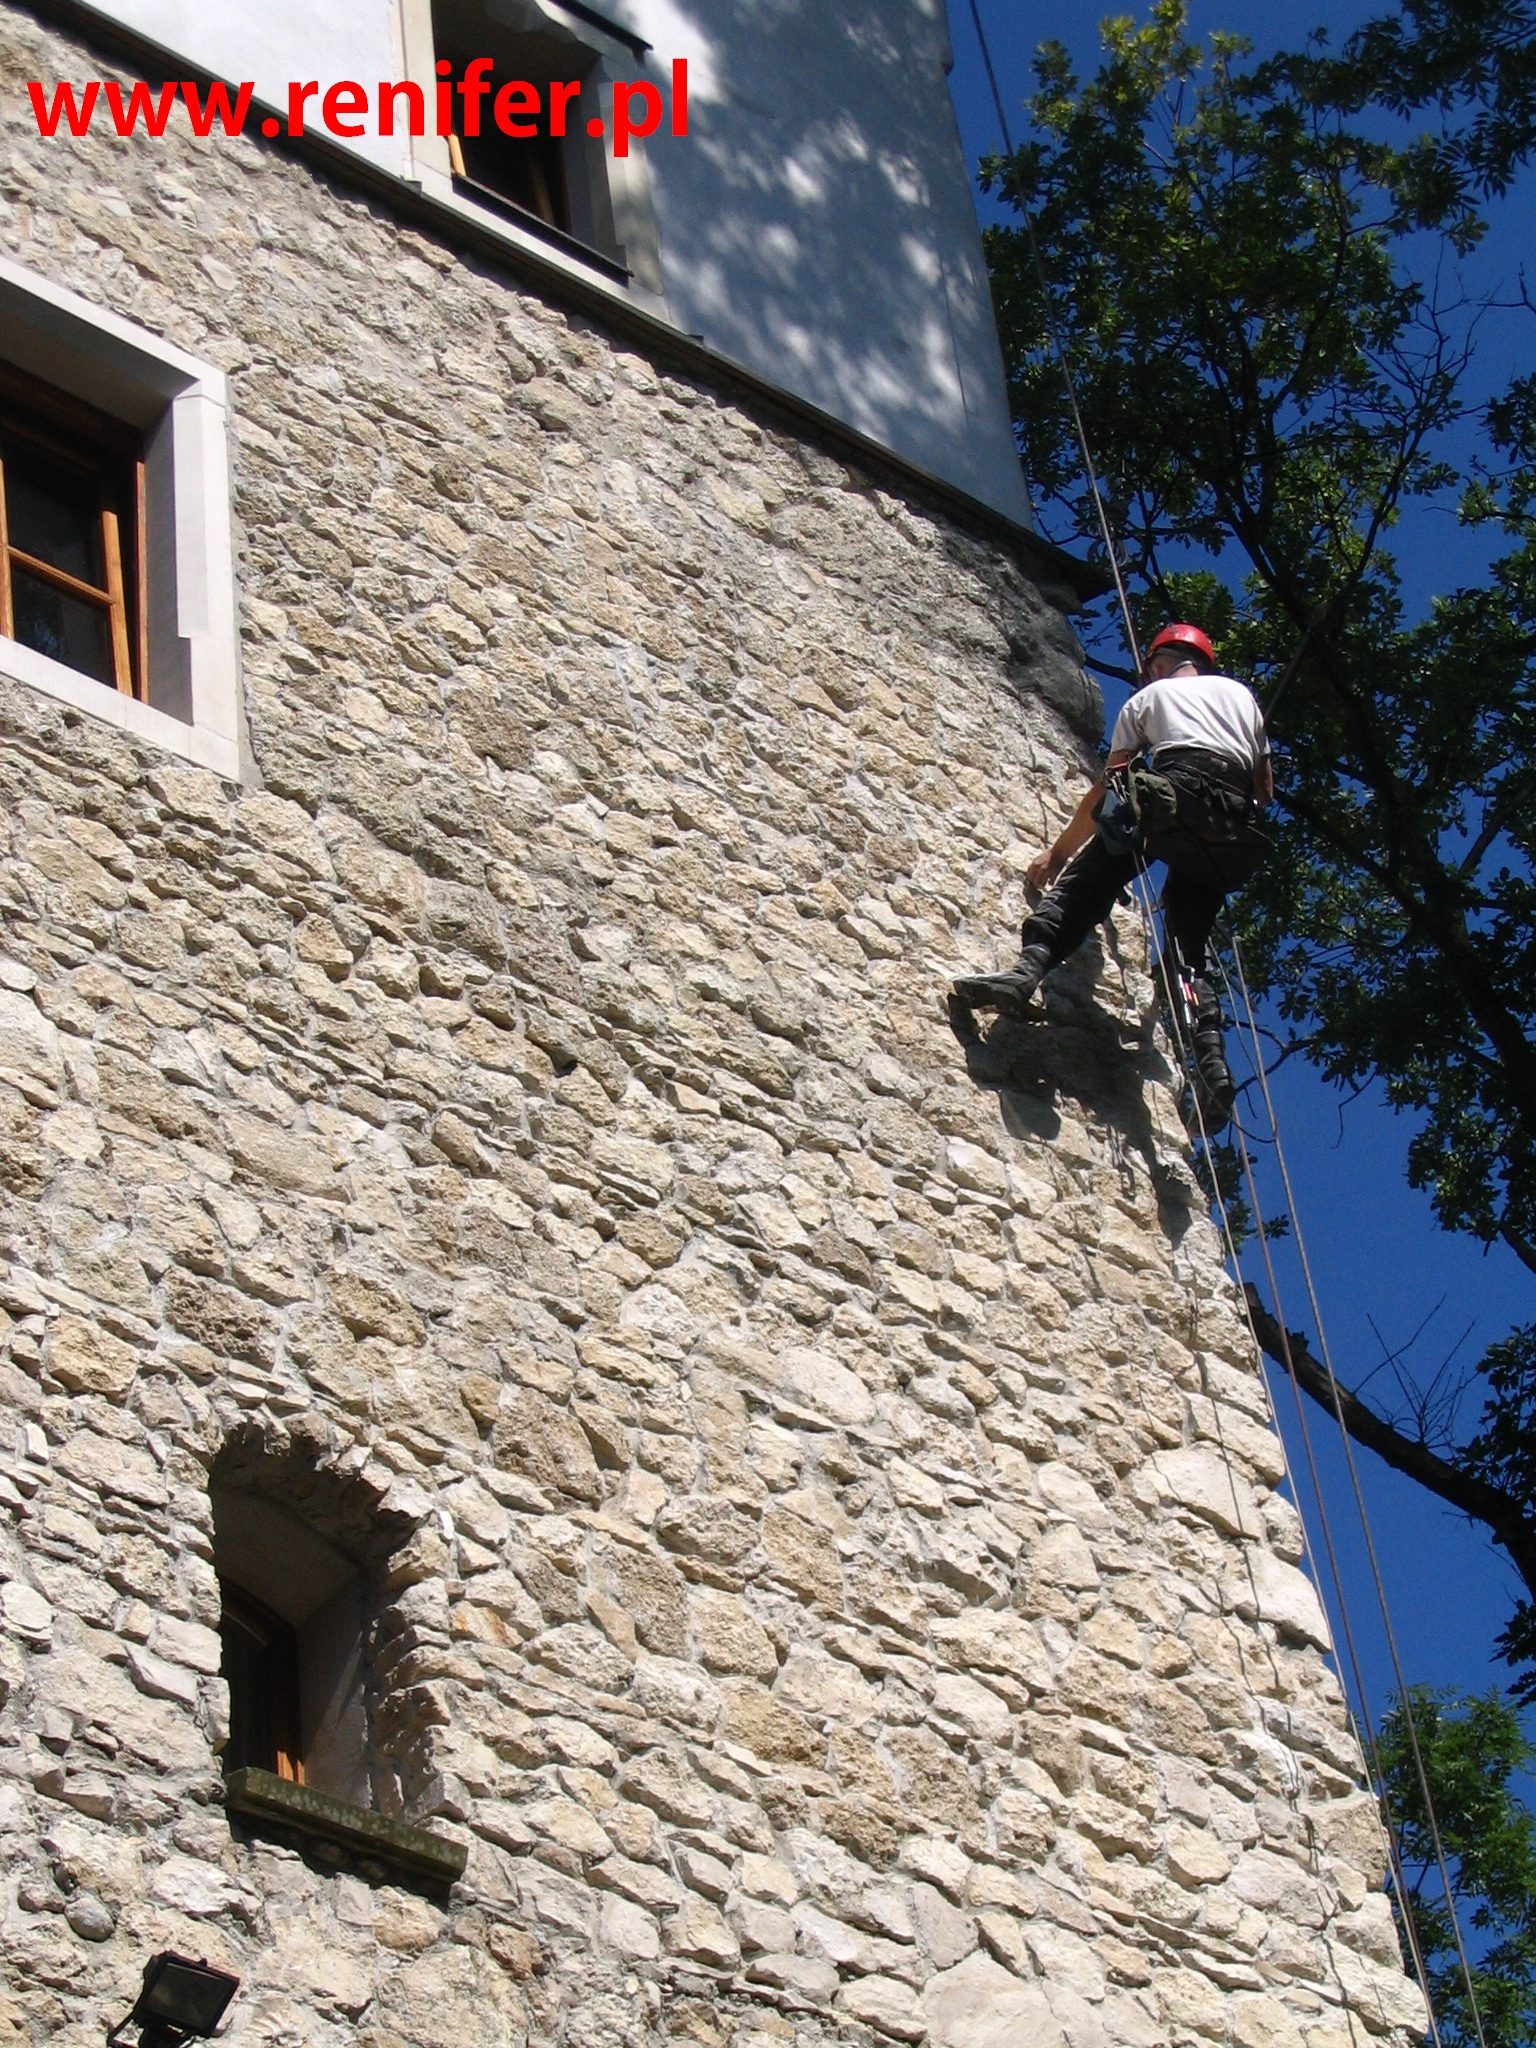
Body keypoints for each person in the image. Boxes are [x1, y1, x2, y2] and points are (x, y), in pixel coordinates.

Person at [951, 623, 1273, 1129]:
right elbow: (1264, 790)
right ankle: (1211, 1062)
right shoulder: (1244, 699)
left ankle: (1026, 972)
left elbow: (1109, 785)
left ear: (1159, 665)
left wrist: (1058, 852)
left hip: (1173, 793)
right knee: (1189, 951)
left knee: (1091, 880)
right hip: (1231, 830)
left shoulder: (1148, 700)